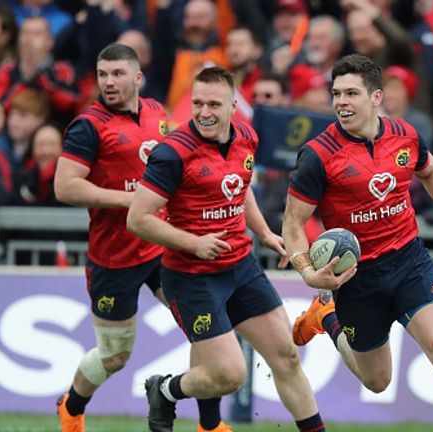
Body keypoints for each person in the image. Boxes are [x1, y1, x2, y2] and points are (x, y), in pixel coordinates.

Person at [281, 54, 433, 432]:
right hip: (358, 279)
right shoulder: (317, 155)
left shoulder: (405, 134)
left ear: (377, 97)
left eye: (351, 93)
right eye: (336, 93)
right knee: (377, 382)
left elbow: (431, 169)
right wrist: (309, 274)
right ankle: (327, 317)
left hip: (409, 261)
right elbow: (293, 224)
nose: (341, 102)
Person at [126, 66, 328, 432]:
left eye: (214, 104)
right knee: (230, 375)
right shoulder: (171, 153)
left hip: (240, 267)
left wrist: (265, 232)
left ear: (234, 105)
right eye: (198, 103)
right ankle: (166, 390)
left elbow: (239, 186)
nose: (204, 112)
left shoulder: (247, 137)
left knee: (286, 357)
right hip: (191, 278)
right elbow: (138, 219)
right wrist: (193, 242)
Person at [53, 43, 229, 432]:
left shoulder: (156, 112)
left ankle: (210, 425)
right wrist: (131, 200)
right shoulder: (89, 126)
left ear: (137, 77)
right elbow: (64, 187)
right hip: (114, 257)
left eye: (117, 74)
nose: (109, 82)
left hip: (162, 246)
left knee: (205, 326)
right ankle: (72, 405)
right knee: (115, 356)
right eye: (102, 75)